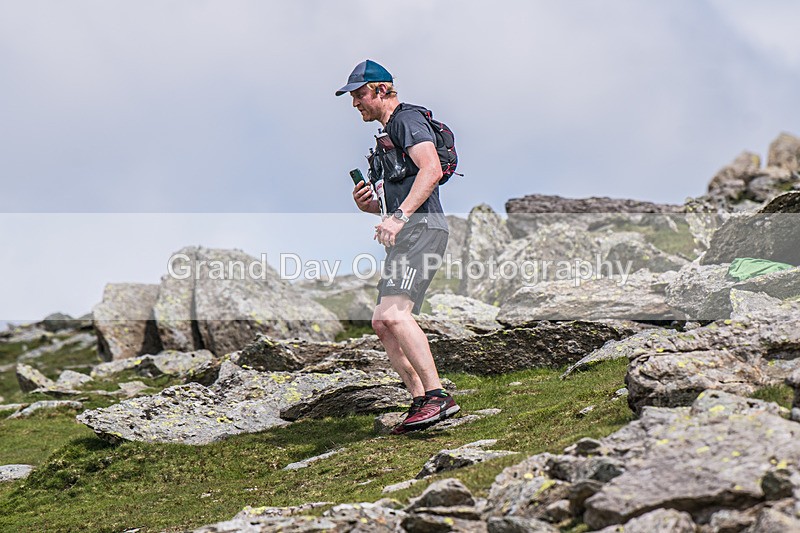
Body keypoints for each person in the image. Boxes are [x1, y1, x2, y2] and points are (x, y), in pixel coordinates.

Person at [336, 59, 460, 433]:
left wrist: (400, 216)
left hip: (423, 230)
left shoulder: (407, 120)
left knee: (394, 315)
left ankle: (438, 397)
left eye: (358, 94)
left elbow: (431, 169)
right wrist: (372, 206)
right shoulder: (387, 133)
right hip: (408, 234)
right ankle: (421, 399)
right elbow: (395, 198)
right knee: (382, 321)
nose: (355, 102)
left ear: (380, 90)